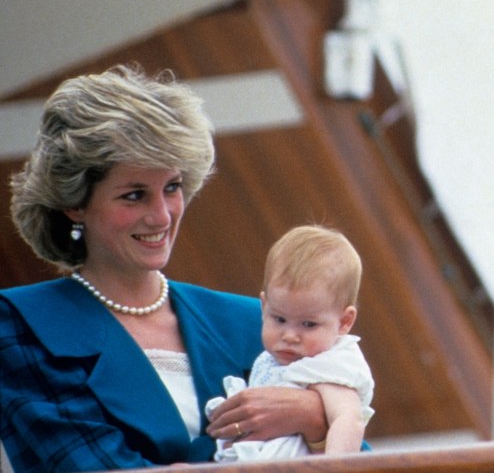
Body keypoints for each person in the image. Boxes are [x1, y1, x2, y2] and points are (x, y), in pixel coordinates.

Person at [0, 64, 328, 471]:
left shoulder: (256, 322)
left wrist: (316, 420)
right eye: (134, 195)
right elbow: (88, 465)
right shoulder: (21, 325)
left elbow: (362, 463)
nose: (161, 216)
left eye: (172, 187)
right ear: (75, 203)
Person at [206, 225, 374, 461]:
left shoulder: (331, 363)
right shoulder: (272, 359)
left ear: (344, 322)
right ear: (264, 307)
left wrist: (334, 467)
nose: (290, 336)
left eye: (308, 325)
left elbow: (349, 420)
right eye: (280, 319)